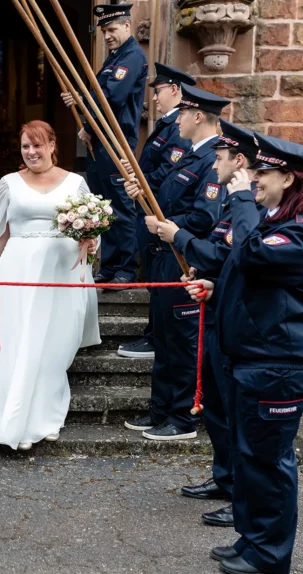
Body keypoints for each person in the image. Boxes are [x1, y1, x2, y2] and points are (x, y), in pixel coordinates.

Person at [187, 135, 303, 574]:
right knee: (250, 457)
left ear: (288, 179)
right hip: (254, 357)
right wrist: (215, 288)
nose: (254, 180)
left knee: (269, 462)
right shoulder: (273, 225)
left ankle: (269, 556)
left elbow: (250, 255)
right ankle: (252, 541)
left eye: (262, 173)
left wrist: (242, 201)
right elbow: (254, 279)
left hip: (279, 363)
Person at [0, 120, 101, 450]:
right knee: (17, 336)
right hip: (18, 269)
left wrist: (90, 241)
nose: (31, 152)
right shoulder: (9, 183)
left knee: (54, 341)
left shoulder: (75, 183)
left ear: (52, 146)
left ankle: (45, 413)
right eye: (25, 146)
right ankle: (9, 410)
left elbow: (91, 231)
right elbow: (1, 232)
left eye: (37, 145)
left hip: (61, 273)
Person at [151, 119, 261, 530]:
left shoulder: (251, 206)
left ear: (239, 161)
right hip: (218, 312)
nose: (214, 165)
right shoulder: (234, 204)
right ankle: (224, 477)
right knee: (215, 406)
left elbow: (235, 255)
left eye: (220, 158)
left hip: (238, 323)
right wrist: (205, 272)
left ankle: (242, 497)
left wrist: (178, 238)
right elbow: (218, 251)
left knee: (236, 414)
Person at [124, 83, 228, 441]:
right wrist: (142, 195)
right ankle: (161, 410)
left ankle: (182, 418)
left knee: (182, 343)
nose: (176, 119)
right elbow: (166, 197)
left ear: (198, 116)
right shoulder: (189, 154)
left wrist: (165, 225)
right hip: (165, 256)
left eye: (182, 113)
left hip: (185, 259)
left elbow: (205, 216)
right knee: (165, 341)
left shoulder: (213, 159)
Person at [60, 3, 147, 288]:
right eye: (103, 31)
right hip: (100, 139)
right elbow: (100, 98)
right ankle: (108, 266)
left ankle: (126, 269)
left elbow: (112, 97)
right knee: (103, 207)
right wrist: (87, 122)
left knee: (120, 206)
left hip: (116, 142)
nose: (107, 36)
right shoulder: (115, 57)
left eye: (111, 29)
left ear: (127, 26)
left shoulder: (132, 56)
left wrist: (82, 106)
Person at [117, 62, 195, 360]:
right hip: (150, 210)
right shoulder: (167, 124)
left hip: (159, 211)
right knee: (153, 276)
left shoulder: (178, 127)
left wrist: (141, 180)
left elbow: (168, 172)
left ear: (175, 90)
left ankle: (155, 337)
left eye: (158, 90)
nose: (154, 97)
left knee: (159, 279)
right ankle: (154, 334)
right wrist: (136, 173)